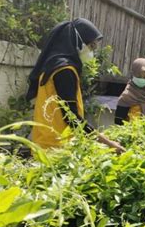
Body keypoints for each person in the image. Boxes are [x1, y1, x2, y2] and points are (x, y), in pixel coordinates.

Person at [26, 18, 125, 153]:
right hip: (56, 147)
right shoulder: (64, 71)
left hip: (45, 142)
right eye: (91, 46)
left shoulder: (52, 65)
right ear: (78, 41)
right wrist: (108, 143)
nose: (92, 52)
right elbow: (71, 118)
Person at [114, 58, 145, 125]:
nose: (142, 79)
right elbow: (118, 122)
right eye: (139, 76)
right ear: (133, 75)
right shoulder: (126, 97)